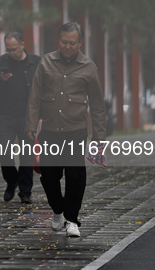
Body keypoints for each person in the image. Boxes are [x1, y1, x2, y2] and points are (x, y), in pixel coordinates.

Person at [26, 22, 106, 238]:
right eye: (64, 42)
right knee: (49, 176)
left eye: (72, 43)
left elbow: (97, 104)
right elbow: (34, 96)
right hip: (50, 129)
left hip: (76, 130)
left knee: (75, 176)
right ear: (58, 40)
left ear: (80, 43)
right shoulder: (46, 62)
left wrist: (99, 135)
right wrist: (31, 125)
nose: (68, 46)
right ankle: (58, 210)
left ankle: (72, 219)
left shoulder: (89, 67)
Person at [0, 32, 40, 204]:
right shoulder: (2, 61)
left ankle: (25, 192)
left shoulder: (35, 61)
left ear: (22, 44)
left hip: (28, 116)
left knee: (26, 156)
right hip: (7, 115)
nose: (11, 53)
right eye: (8, 49)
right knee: (4, 151)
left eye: (14, 49)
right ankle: (12, 182)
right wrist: (2, 80)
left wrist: (40, 116)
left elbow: (42, 87)